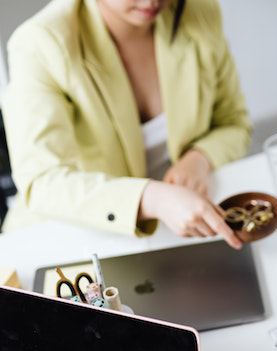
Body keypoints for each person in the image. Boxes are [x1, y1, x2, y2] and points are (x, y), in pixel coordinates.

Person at [1, 0, 250, 249]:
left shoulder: (198, 11)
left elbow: (234, 123)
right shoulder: (40, 42)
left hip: (173, 226)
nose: (152, 2)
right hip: (68, 234)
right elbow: (43, 181)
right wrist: (151, 198)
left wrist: (200, 158)